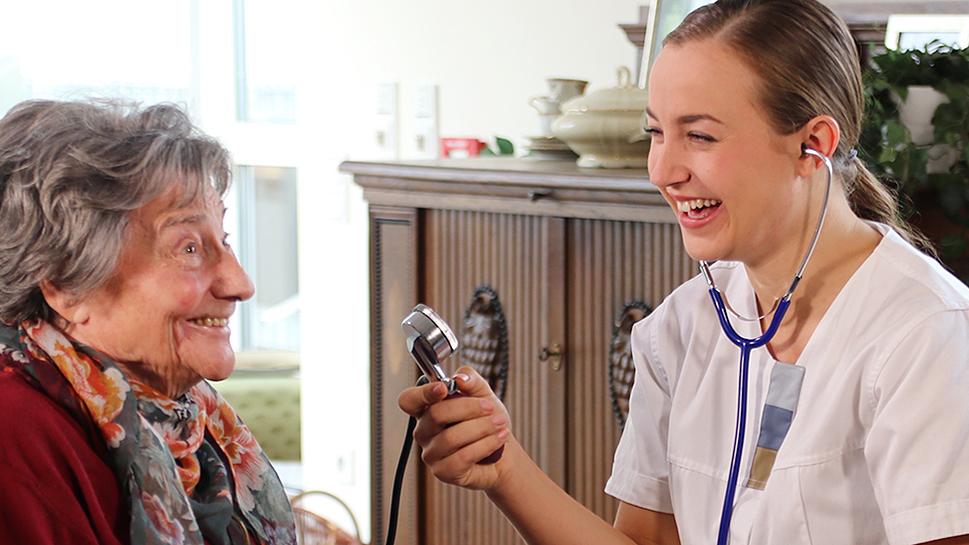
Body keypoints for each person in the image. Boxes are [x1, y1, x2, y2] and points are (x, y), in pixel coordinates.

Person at [397, 0, 969, 543]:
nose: (663, 170)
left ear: (811, 145)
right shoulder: (683, 325)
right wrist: (505, 468)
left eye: (699, 136)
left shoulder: (925, 335)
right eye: (656, 132)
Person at [0, 100, 296, 545]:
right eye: (189, 248)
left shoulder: (189, 423)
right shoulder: (14, 436)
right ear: (66, 284)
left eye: (224, 240)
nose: (240, 284)